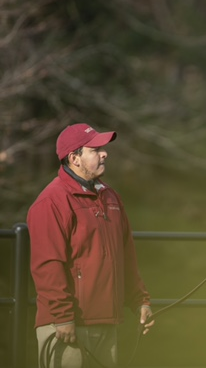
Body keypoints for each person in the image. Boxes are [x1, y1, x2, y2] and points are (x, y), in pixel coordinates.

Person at [27, 123, 154, 368]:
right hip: (67, 327)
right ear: (74, 158)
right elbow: (47, 266)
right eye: (95, 149)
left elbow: (125, 256)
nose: (104, 153)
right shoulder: (51, 202)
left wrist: (140, 300)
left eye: (102, 148)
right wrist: (63, 317)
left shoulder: (111, 197)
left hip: (106, 323)